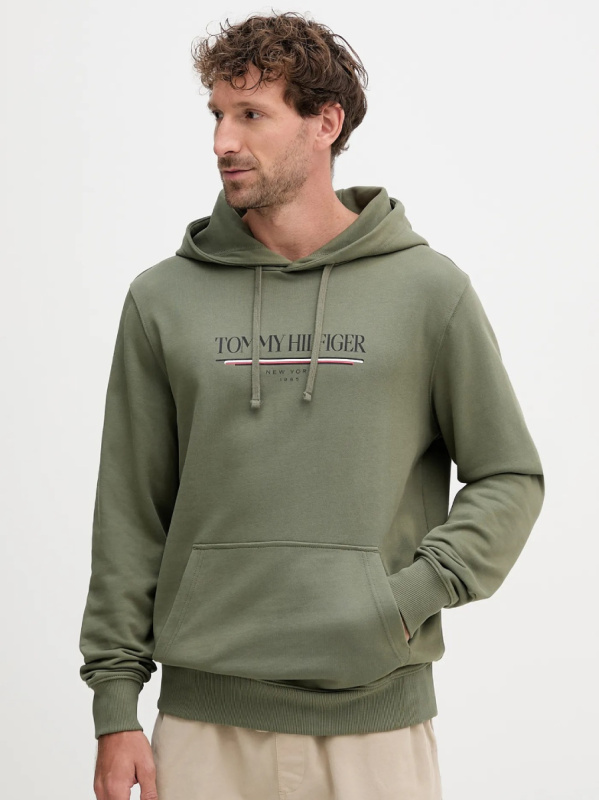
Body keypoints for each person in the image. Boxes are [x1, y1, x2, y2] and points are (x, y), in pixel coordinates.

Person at [79, 11, 545, 800]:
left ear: (324, 123)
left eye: (250, 114)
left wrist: (406, 599)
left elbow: (509, 476)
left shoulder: (427, 291)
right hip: (202, 728)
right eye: (217, 115)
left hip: (376, 729)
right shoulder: (162, 299)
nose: (223, 141)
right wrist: (115, 704)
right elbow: (130, 512)